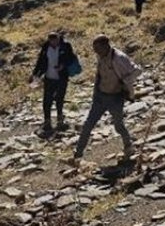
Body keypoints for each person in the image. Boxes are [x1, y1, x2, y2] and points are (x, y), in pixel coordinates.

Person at [72, 35, 140, 163]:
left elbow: (137, 71)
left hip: (115, 97)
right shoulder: (101, 56)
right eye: (94, 48)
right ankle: (78, 154)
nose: (95, 51)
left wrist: (124, 81)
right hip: (100, 96)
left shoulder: (119, 58)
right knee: (88, 125)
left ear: (106, 45)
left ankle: (128, 145)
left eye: (97, 48)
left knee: (118, 125)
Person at [33, 32, 77, 136]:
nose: (53, 43)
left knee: (59, 98)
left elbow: (71, 58)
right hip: (49, 77)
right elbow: (40, 60)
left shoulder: (65, 46)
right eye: (51, 41)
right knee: (47, 100)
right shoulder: (46, 46)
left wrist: (63, 65)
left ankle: (60, 119)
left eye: (55, 41)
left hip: (61, 77)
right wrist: (35, 74)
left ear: (58, 39)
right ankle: (47, 121)